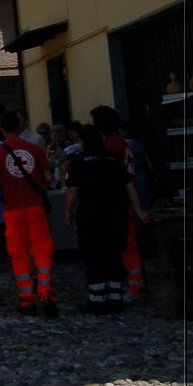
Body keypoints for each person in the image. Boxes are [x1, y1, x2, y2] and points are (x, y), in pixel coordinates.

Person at [65, 125, 150, 314]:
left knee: (94, 257)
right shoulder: (113, 160)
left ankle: (97, 299)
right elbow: (129, 186)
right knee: (113, 256)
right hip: (115, 214)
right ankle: (114, 296)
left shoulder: (80, 161)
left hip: (91, 216)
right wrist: (137, 208)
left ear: (84, 141)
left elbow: (73, 190)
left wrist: (68, 210)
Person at [0, 110, 57, 317]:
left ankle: (27, 299)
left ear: (1, 128)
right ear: (20, 126)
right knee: (42, 250)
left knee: (18, 253)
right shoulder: (34, 149)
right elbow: (47, 178)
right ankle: (46, 292)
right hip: (35, 206)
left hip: (13, 208)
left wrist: (6, 185)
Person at [90, 105, 146, 302]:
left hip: (119, 199)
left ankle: (135, 286)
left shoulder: (111, 145)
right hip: (125, 197)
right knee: (127, 242)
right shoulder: (121, 142)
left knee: (127, 244)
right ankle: (133, 283)